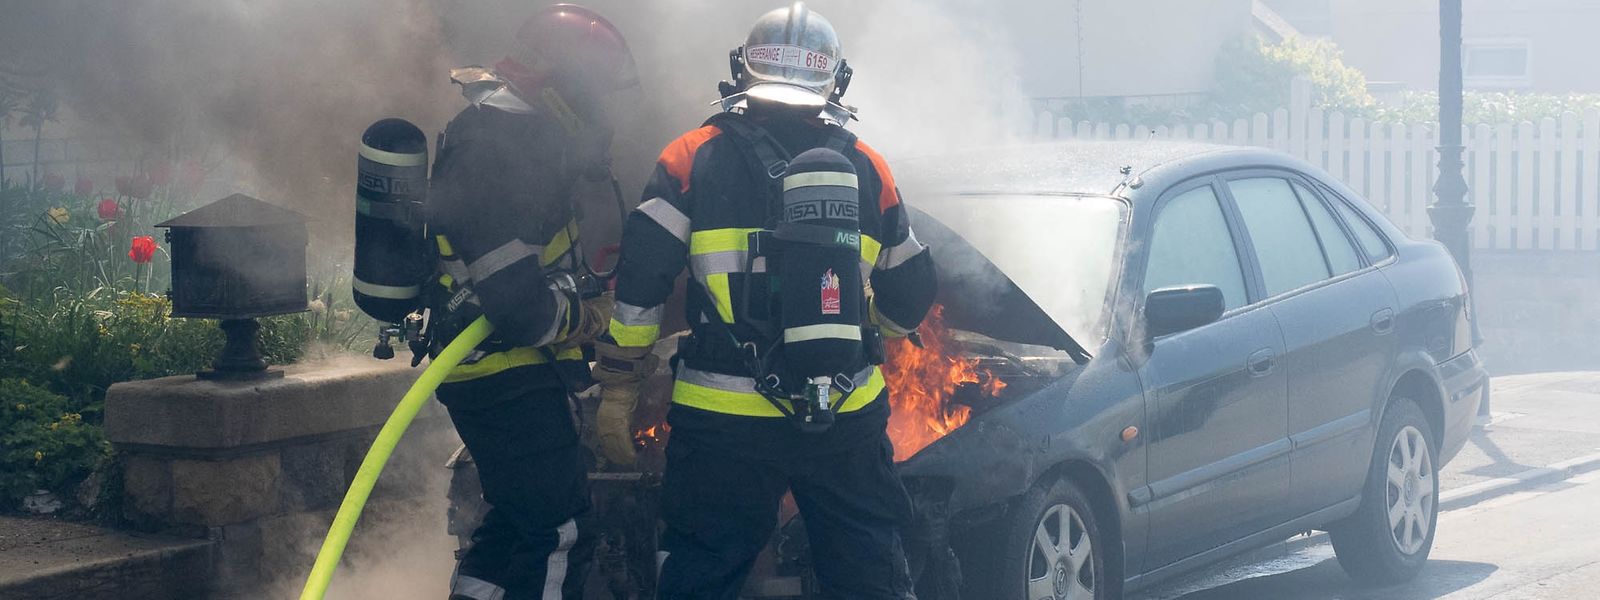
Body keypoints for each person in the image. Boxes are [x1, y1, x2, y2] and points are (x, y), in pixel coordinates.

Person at [592, 3, 937, 599]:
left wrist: (620, 387)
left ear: (744, 69)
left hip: (723, 424)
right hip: (843, 417)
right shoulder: (866, 166)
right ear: (835, 79)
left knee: (703, 571)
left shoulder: (690, 157)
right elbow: (913, 287)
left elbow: (641, 284)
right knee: (866, 570)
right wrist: (866, 328)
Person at [425, 5, 636, 599]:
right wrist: (586, 317)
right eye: (595, 95)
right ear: (564, 88)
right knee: (558, 530)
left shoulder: (514, 137)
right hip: (504, 375)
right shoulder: (494, 151)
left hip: (507, 374)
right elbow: (518, 306)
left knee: (515, 526)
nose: (603, 113)